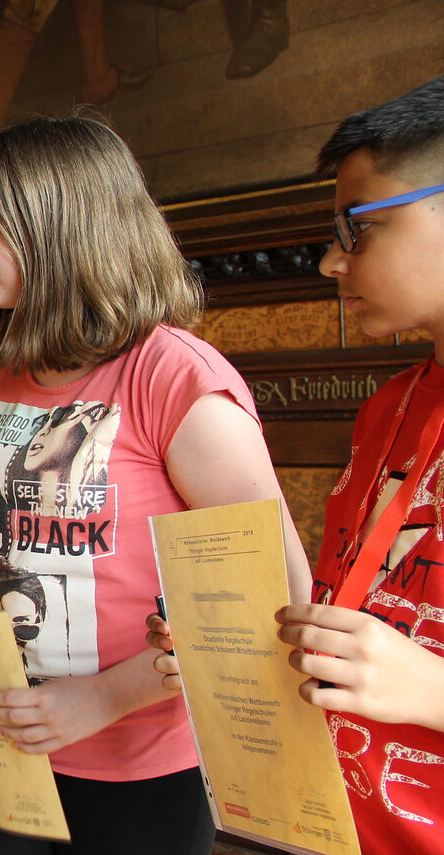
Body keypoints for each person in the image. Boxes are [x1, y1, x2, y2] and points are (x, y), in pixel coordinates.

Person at [0, 115, 310, 855]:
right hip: (4, 733)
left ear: (60, 227)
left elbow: (273, 594)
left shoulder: (176, 379)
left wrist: (106, 696)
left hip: (145, 762)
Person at [149, 76, 444, 854]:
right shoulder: (391, 410)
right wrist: (229, 646)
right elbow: (359, 607)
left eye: (357, 229)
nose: (328, 262)